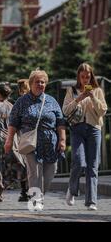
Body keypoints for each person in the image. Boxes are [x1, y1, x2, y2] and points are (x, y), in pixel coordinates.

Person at [5, 70, 66, 211]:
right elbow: (13, 122)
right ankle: (35, 200)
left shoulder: (51, 101)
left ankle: (39, 196)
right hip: (30, 143)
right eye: (37, 82)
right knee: (34, 173)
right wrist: (9, 140)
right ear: (31, 83)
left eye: (43, 82)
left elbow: (60, 122)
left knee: (51, 172)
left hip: (51, 142)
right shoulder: (22, 102)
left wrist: (62, 140)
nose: (40, 84)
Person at [63, 63, 107, 210]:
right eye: (82, 77)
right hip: (77, 130)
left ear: (91, 76)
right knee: (79, 161)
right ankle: (72, 189)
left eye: (88, 77)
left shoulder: (98, 91)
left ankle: (91, 201)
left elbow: (102, 111)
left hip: (94, 129)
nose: (85, 80)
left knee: (92, 166)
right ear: (78, 77)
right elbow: (65, 110)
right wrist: (79, 98)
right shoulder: (72, 90)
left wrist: (93, 97)